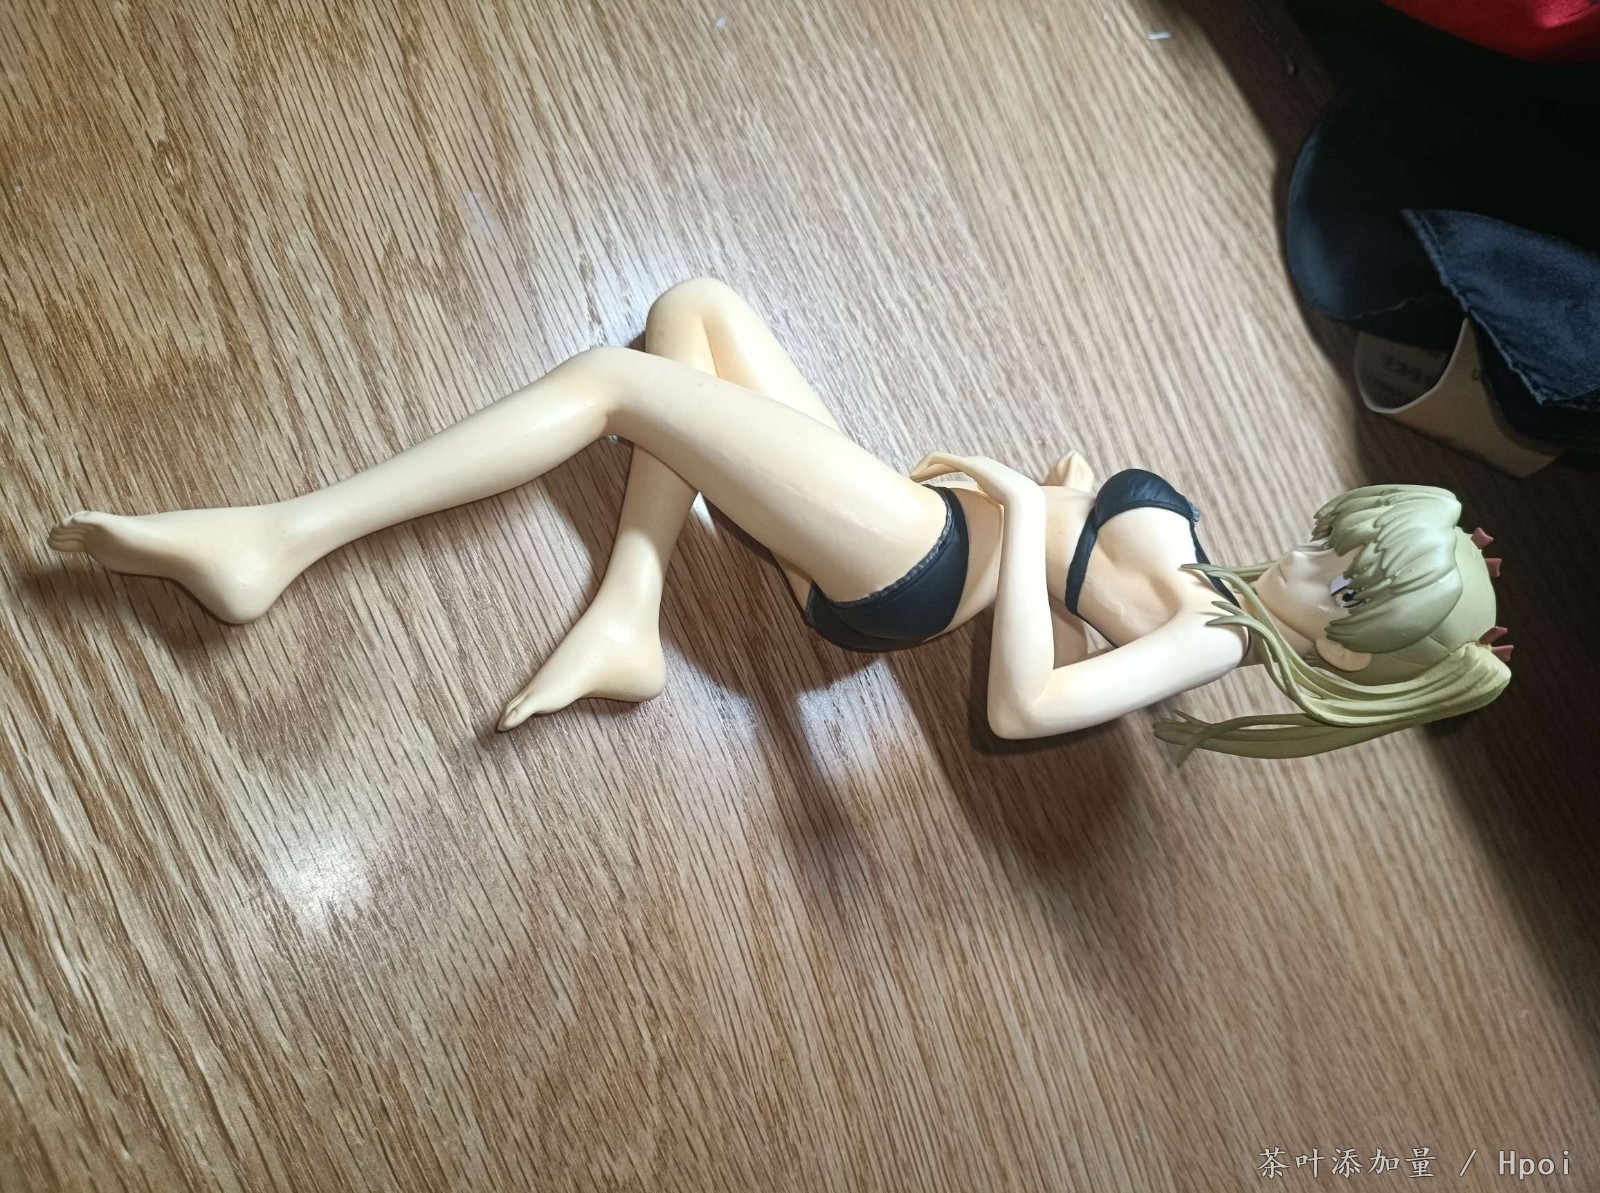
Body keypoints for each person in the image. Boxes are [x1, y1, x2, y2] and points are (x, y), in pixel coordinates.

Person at [48, 279, 1511, 758]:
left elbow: (1023, 707)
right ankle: (630, 610)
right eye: (1340, 539)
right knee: (695, 307)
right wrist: (1063, 497)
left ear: (1351, 652)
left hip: (915, 563)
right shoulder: (1222, 578)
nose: (1312, 562)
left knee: (621, 382)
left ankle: (277, 541)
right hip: (910, 508)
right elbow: (1094, 544)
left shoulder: (1210, 646)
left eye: (1344, 587)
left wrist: (1019, 516)